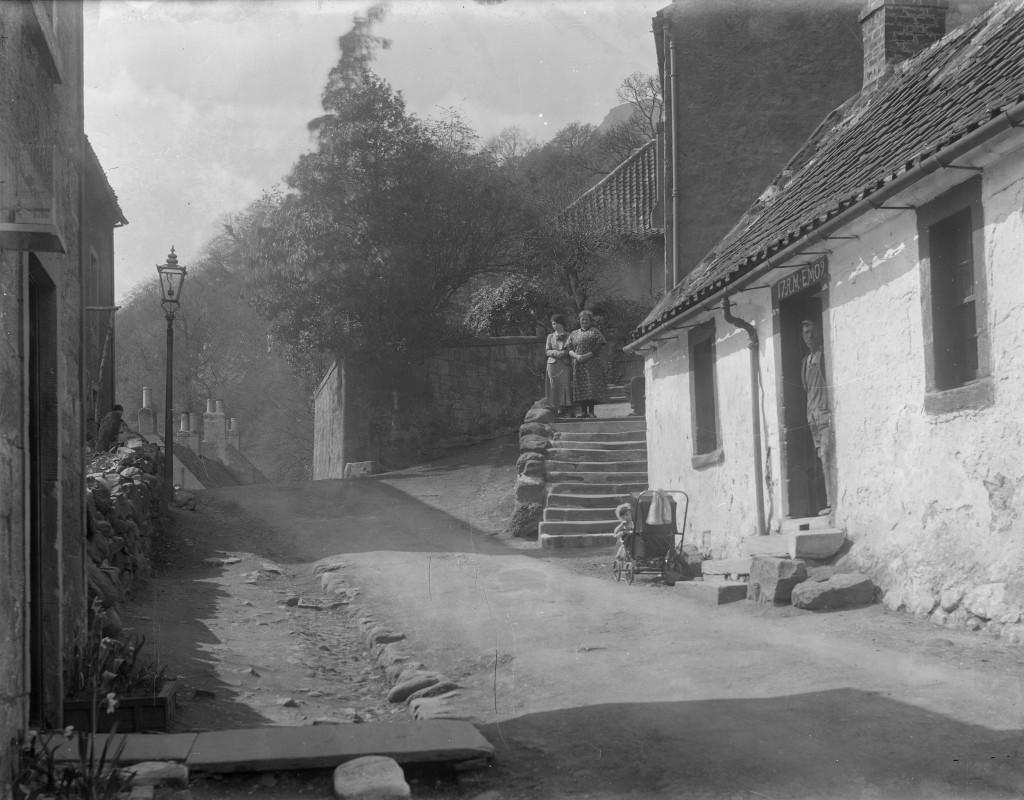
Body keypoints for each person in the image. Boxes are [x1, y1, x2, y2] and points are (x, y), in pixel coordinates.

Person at [801, 320, 834, 515]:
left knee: (828, 456)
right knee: (822, 457)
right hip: (812, 417)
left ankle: (832, 503)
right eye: (805, 333)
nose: (809, 336)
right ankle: (828, 501)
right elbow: (806, 389)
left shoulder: (823, 356)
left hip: (825, 414)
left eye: (812, 332)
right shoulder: (805, 362)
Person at [567, 309, 606, 418]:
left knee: (590, 387)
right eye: (582, 319)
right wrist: (577, 356)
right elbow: (569, 348)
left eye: (586, 319)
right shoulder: (573, 333)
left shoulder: (595, 332)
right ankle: (583, 412)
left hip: (591, 363)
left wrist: (586, 356)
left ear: (590, 320)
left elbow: (598, 347)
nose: (584, 321)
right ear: (579, 320)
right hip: (578, 363)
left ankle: (591, 411)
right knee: (580, 387)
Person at [544, 314, 573, 416]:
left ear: (561, 323)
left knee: (565, 385)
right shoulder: (550, 336)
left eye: (556, 323)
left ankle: (567, 407)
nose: (554, 326)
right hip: (553, 364)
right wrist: (557, 353)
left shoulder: (569, 335)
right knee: (554, 385)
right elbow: (547, 351)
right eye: (553, 324)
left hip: (564, 364)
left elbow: (570, 348)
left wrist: (564, 353)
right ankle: (557, 408)